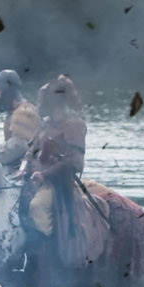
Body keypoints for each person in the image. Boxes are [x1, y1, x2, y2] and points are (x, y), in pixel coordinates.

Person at [16, 74, 109, 273]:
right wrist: (23, 169)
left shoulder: (74, 125)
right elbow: (30, 151)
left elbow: (74, 160)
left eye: (44, 100)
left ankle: (48, 250)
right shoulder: (45, 124)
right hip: (36, 180)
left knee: (37, 206)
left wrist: (45, 174)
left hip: (59, 184)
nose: (40, 104)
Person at [0, 69, 39, 178]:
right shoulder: (14, 113)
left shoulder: (23, 113)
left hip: (29, 174)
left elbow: (18, 147)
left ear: (9, 91)